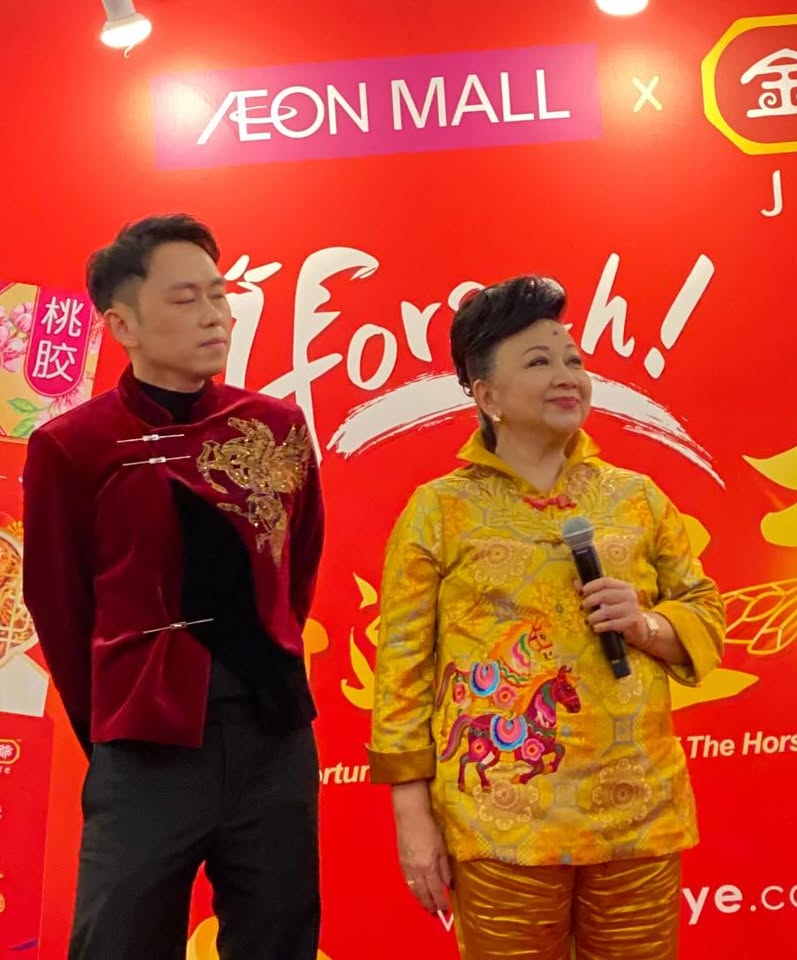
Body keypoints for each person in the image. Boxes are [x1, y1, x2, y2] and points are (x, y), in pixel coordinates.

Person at [370, 275, 724, 960]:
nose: (567, 376)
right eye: (538, 361)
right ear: (486, 395)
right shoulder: (440, 510)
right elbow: (401, 674)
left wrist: (647, 624)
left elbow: (704, 605)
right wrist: (412, 816)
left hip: (637, 811)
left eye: (573, 360)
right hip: (502, 820)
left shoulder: (634, 497)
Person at [22, 214, 325, 960]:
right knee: (116, 941)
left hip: (271, 735)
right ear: (121, 323)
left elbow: (298, 569)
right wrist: (114, 723)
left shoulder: (277, 427)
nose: (214, 316)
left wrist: (265, 663)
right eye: (186, 299)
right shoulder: (72, 445)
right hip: (144, 744)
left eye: (218, 296)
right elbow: (58, 605)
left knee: (278, 937)